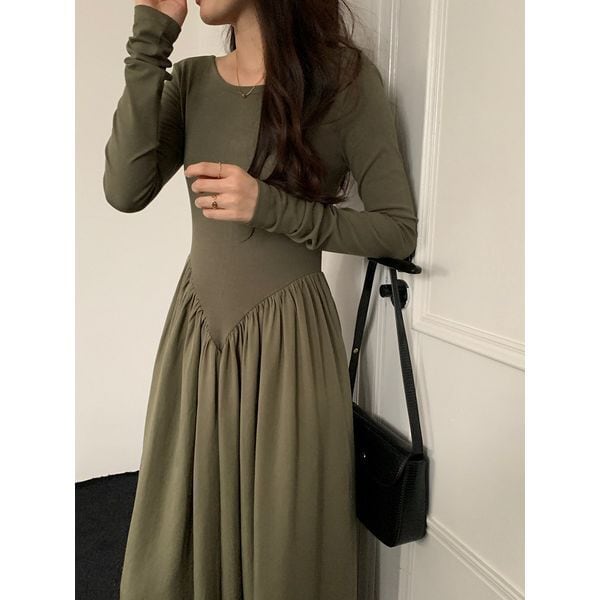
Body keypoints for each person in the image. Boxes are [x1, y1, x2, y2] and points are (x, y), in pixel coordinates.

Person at [103, 0, 418, 598]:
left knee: (282, 534)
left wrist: (271, 207)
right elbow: (125, 189)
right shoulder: (191, 81)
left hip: (288, 344)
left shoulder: (344, 82)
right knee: (180, 529)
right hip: (198, 335)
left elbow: (396, 230)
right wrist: (149, 43)